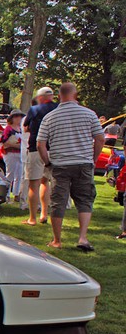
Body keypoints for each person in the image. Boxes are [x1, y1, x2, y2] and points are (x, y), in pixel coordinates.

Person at [37, 83, 105, 251]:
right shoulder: (90, 114)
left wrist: (47, 162)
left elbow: (40, 144)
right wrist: (93, 158)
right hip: (83, 163)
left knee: (58, 202)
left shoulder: (50, 117)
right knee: (84, 200)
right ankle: (82, 237)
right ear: (75, 95)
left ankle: (57, 240)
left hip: (60, 164)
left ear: (59, 96)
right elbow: (100, 139)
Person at [22, 87, 59, 226]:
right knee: (46, 182)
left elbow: (26, 128)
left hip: (36, 149)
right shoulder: (59, 109)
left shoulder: (34, 110)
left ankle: (32, 218)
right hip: (54, 149)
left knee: (33, 184)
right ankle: (44, 213)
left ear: (41, 98)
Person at [0, 109, 26, 203]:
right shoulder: (8, 129)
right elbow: (4, 142)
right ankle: (6, 195)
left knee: (19, 175)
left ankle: (16, 194)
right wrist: (15, 144)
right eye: (17, 116)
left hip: (19, 153)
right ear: (13, 118)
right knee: (10, 174)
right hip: (10, 153)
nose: (19, 118)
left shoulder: (20, 128)